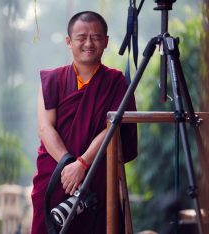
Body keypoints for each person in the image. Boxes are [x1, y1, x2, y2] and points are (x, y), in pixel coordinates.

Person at [31, 11, 138, 234]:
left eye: (96, 37)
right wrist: (69, 165)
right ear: (69, 42)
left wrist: (82, 164)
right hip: (56, 176)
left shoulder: (116, 81)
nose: (88, 43)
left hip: (97, 175)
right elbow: (45, 127)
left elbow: (113, 127)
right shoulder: (52, 80)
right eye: (81, 37)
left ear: (106, 42)